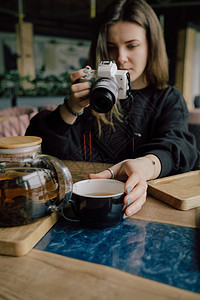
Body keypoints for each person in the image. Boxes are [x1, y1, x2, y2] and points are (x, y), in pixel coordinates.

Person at [26, 0, 200, 217]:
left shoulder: (167, 99)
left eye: (132, 45)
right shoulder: (88, 97)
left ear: (151, 46)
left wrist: (144, 166)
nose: (120, 58)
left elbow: (178, 145)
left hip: (143, 211)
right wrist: (69, 108)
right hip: (77, 211)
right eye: (110, 46)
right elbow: (37, 150)